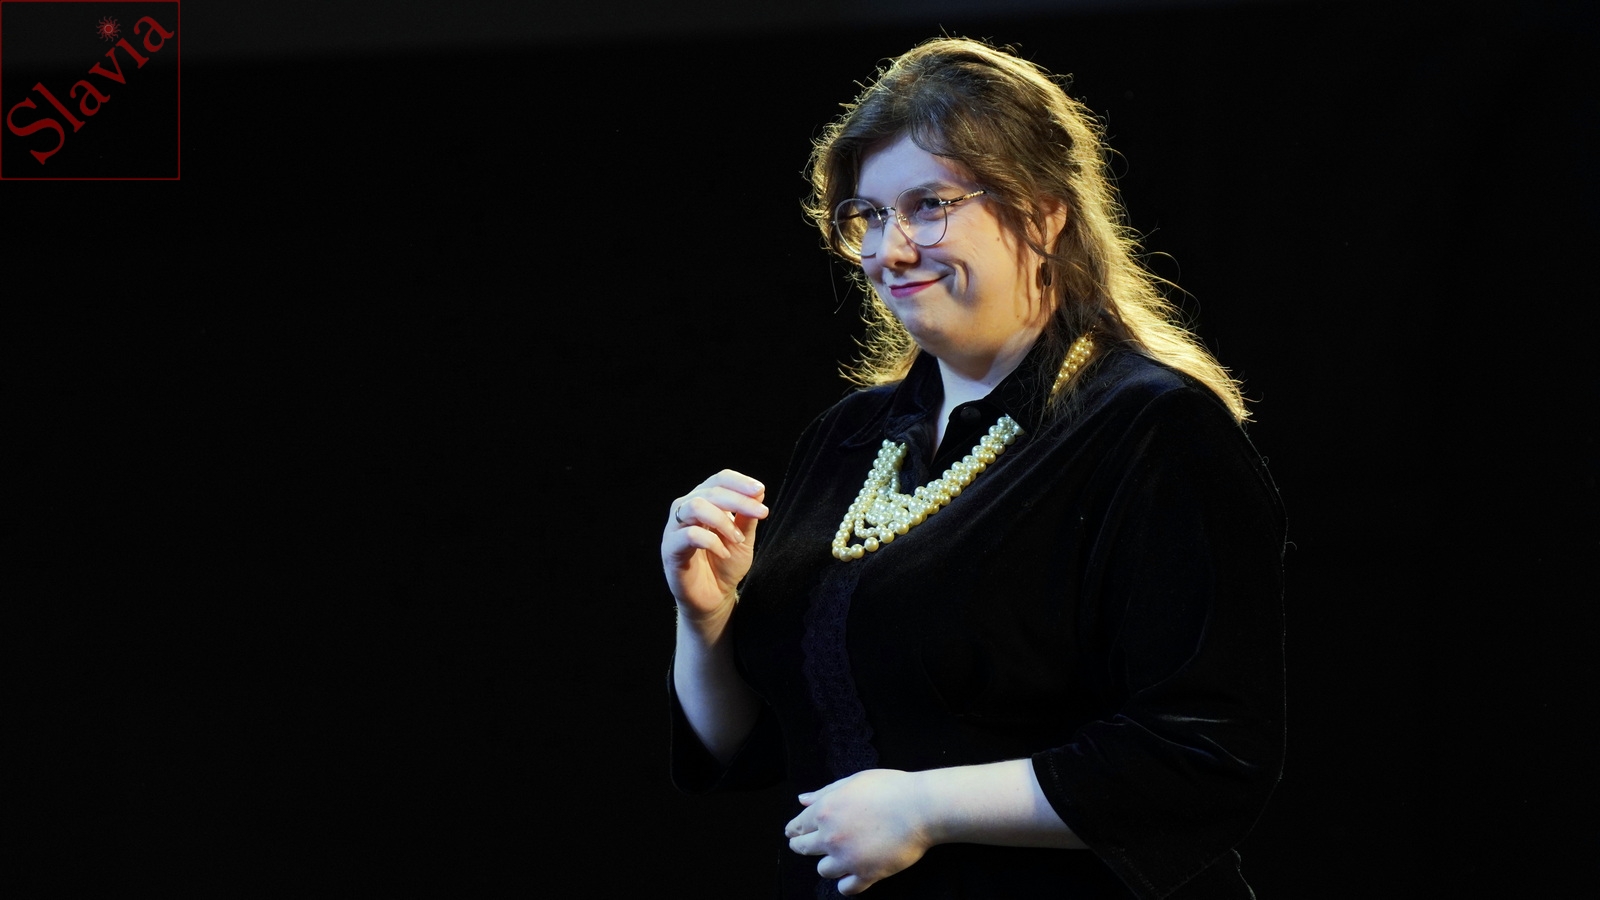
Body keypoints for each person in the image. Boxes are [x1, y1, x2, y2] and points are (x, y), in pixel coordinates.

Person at [661, 37, 1285, 899]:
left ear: (1043, 214)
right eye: (867, 216)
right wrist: (706, 620)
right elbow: (756, 745)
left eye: (928, 206)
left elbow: (1204, 753)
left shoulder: (1151, 428)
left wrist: (927, 809)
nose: (890, 250)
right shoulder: (849, 439)